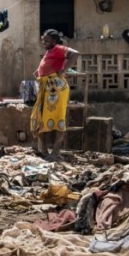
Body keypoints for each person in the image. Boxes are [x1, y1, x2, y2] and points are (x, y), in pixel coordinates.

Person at [30, 29, 79, 160]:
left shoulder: (58, 48)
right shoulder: (50, 51)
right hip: (46, 86)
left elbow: (75, 54)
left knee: (58, 119)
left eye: (47, 41)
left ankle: (56, 151)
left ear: (55, 41)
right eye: (43, 40)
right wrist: (38, 71)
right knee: (41, 117)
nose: (44, 43)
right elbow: (49, 64)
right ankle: (45, 150)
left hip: (56, 88)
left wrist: (63, 70)